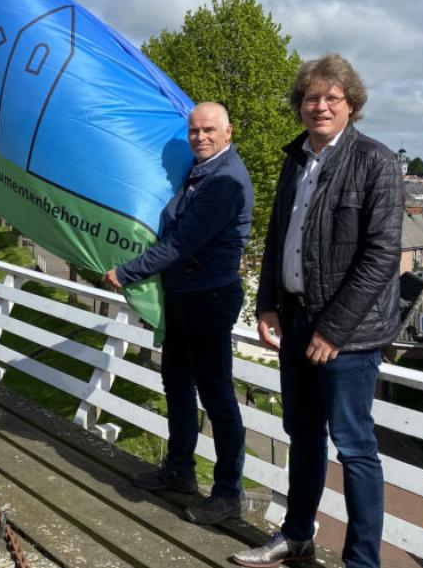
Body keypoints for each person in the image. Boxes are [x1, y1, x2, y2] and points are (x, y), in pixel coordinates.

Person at [231, 53, 403, 568]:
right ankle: (297, 536)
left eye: (332, 98)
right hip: (296, 321)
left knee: (353, 447)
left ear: (352, 105)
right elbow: (279, 235)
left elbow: (381, 256)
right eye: (311, 97)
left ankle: (361, 562)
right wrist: (267, 304)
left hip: (347, 335)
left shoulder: (376, 162)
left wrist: (334, 330)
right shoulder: (295, 160)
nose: (320, 106)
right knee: (303, 435)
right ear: (299, 105)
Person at [104, 102, 253, 526]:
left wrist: (125, 273)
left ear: (228, 132)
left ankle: (228, 494)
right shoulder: (198, 172)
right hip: (185, 297)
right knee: (178, 384)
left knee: (218, 396)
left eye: (209, 130)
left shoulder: (225, 182)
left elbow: (180, 244)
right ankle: (180, 471)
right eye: (193, 131)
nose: (200, 137)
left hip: (209, 298)